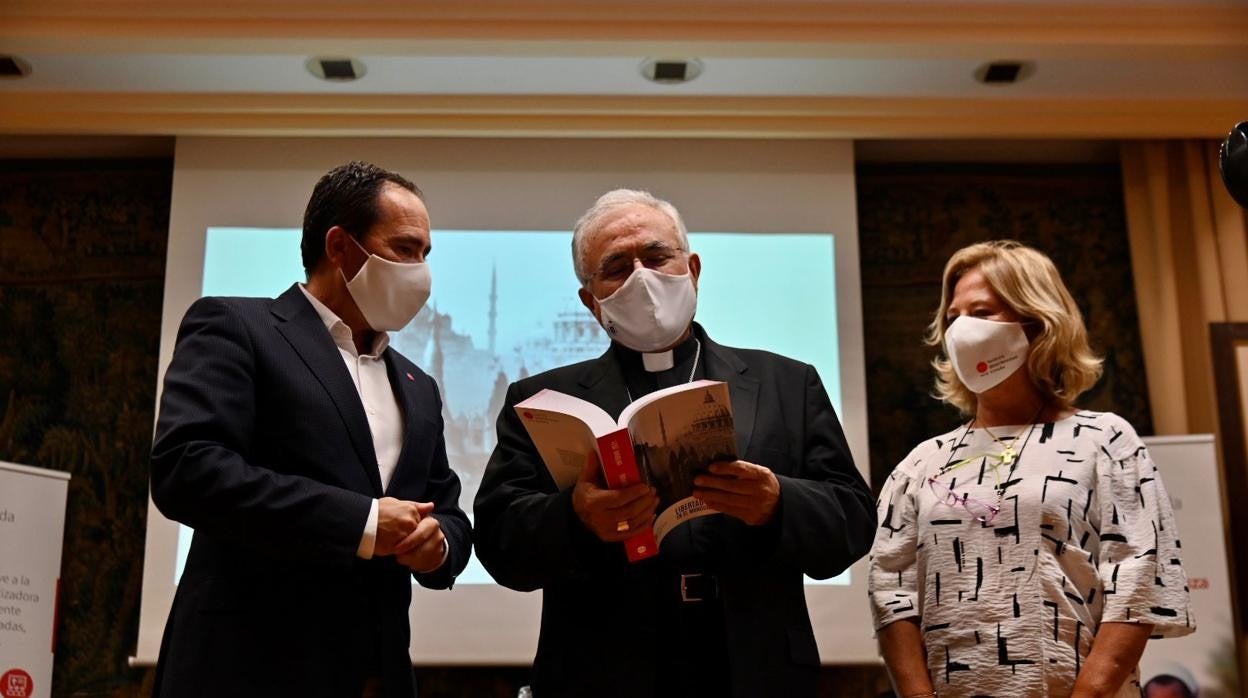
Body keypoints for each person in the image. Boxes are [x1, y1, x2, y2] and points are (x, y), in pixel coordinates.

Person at [474, 188, 876, 697]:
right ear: (590, 300)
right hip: (604, 669)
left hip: (754, 665)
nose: (642, 276)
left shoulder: (787, 383)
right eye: (616, 267)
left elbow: (854, 520)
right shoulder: (541, 400)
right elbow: (497, 541)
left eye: (657, 256)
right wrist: (574, 518)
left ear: (693, 268)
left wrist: (778, 502)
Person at [150, 161, 472, 697]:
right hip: (247, 667)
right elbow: (188, 468)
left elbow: (447, 509)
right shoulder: (236, 327)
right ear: (341, 247)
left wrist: (438, 546)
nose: (422, 272)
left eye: (426, 254)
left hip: (378, 672)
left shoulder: (418, 385)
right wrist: (363, 522)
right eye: (406, 249)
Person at [868, 240, 1194, 698]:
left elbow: (1139, 578)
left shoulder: (1106, 440)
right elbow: (891, 588)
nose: (961, 329)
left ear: (1038, 322)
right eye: (952, 317)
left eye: (981, 312)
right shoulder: (922, 463)